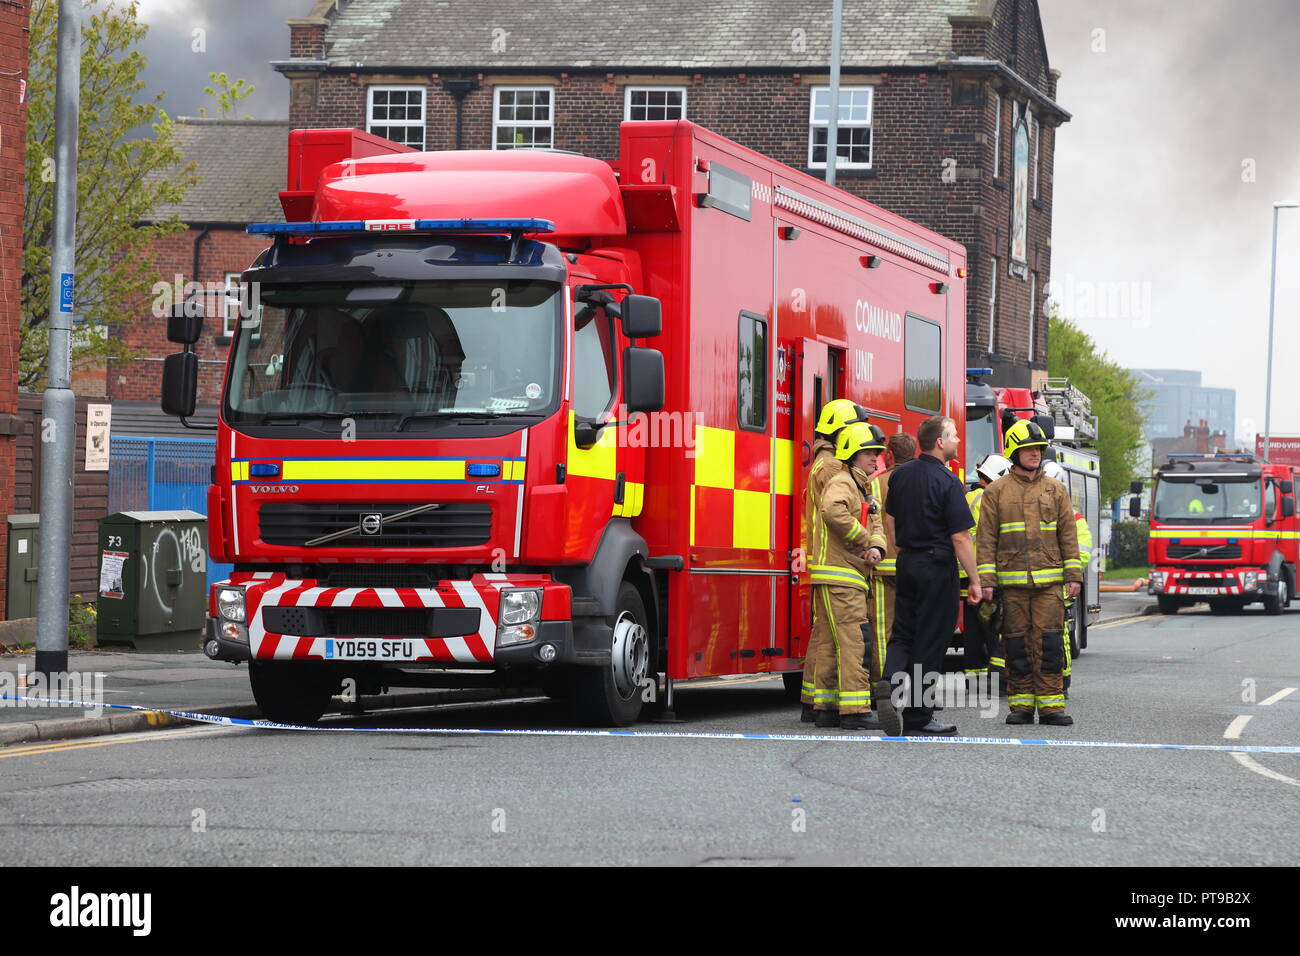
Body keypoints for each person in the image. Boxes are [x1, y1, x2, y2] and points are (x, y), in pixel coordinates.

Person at [881, 416, 981, 736]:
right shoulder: (948, 481)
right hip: (937, 567)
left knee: (903, 633)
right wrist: (975, 580)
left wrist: (903, 554)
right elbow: (961, 538)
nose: (957, 442)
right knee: (931, 640)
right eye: (953, 436)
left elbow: (889, 520)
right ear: (939, 442)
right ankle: (918, 716)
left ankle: (888, 680)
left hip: (907, 561)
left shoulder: (901, 475)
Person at [976, 422, 1082, 726]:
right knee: (1017, 645)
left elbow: (1068, 536)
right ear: (1014, 452)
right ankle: (1020, 706)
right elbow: (985, 540)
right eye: (1029, 449)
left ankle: (1051, 707)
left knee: (1048, 644)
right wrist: (986, 582)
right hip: (1012, 586)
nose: (1035, 454)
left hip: (1049, 584)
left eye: (1039, 449)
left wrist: (1073, 575)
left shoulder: (1056, 489)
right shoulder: (996, 492)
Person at [807, 423, 888, 730]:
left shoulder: (862, 486)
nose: (874, 458)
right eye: (868, 452)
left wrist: (876, 547)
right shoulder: (842, 482)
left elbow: (876, 524)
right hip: (841, 575)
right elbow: (831, 510)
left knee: (830, 641)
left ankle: (826, 707)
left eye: (877, 453)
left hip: (843, 575)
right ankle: (855, 710)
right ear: (853, 454)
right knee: (856, 640)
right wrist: (864, 539)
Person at [798, 399, 870, 722]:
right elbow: (839, 511)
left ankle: (817, 704)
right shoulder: (832, 468)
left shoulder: (821, 462)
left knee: (824, 633)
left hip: (826, 560)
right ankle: (846, 705)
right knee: (847, 637)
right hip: (838, 560)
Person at [866, 432, 916, 686]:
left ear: (890, 455)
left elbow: (868, 521)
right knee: (918, 630)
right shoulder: (923, 481)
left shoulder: (875, 484)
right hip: (917, 568)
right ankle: (920, 690)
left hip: (884, 569)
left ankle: (884, 687)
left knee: (884, 631)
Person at [961, 454, 1012, 690]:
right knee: (995, 625)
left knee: (973, 628)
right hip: (986, 575)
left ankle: (974, 676)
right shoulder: (989, 498)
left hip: (964, 576)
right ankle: (999, 677)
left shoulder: (968, 497)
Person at [1042, 459, 1091, 699]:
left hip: (1060, 588)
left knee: (1059, 637)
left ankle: (1063, 681)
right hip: (1041, 586)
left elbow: (1081, 554)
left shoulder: (1075, 518)